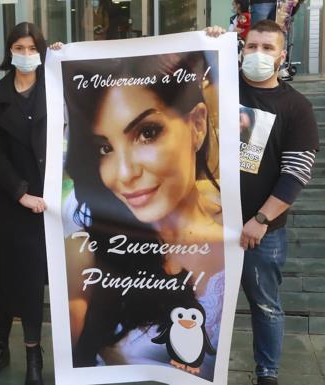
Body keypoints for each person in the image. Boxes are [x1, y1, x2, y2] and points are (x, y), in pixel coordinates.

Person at [63, 52, 223, 379]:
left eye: (147, 133)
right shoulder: (87, 249)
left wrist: (213, 48)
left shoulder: (231, 230)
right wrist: (59, 59)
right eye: (104, 148)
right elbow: (80, 360)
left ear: (196, 125)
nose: (124, 173)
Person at [205, 20, 319, 385]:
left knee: (265, 305)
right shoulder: (220, 86)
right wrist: (203, 46)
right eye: (251, 46)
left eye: (268, 48)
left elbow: (296, 172)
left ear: (282, 55)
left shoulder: (296, 107)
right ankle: (193, 368)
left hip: (261, 231)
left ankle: (267, 374)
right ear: (241, 49)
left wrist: (261, 219)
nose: (258, 54)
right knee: (202, 302)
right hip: (207, 222)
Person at [0, 22, 62, 385]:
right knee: (26, 285)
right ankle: (32, 354)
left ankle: (80, 352)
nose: (26, 54)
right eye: (20, 47)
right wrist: (21, 193)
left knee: (67, 280)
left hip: (61, 202)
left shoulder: (58, 85)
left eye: (33, 48)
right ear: (9, 51)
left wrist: (67, 57)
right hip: (17, 206)